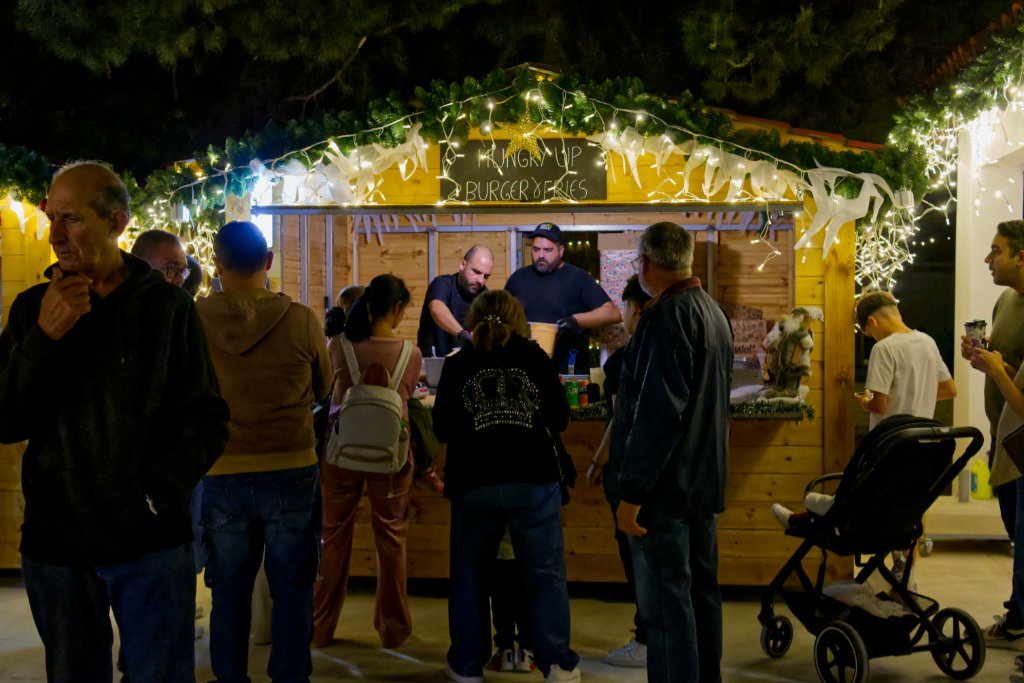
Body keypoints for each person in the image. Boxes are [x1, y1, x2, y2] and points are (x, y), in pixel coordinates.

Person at [0, 161, 229, 682]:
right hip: (57, 545)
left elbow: (207, 417)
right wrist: (43, 339)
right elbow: (6, 419)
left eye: (72, 219)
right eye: (50, 217)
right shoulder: (34, 308)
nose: (56, 235)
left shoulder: (167, 308)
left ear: (116, 221)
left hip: (150, 544)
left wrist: (156, 491)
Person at [194, 220, 330, 682]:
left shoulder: (194, 318)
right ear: (268, 261)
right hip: (291, 464)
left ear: (217, 262)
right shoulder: (301, 319)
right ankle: (291, 677)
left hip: (221, 465)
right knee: (292, 588)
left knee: (228, 591)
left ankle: (231, 677)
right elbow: (325, 386)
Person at [433, 289, 581, 683]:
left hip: (473, 480)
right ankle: (557, 666)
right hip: (533, 477)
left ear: (473, 320)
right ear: (518, 320)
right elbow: (560, 419)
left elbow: (442, 428)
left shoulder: (458, 362)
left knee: (470, 575)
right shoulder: (536, 358)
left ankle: (467, 664)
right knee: (545, 573)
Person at [611, 221, 733, 683]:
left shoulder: (665, 317)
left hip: (664, 491)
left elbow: (659, 414)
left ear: (645, 263)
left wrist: (633, 491)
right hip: (703, 484)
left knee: (666, 607)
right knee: (702, 596)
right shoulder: (712, 312)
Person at [773, 291, 956, 584]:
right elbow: (949, 389)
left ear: (872, 320)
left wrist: (865, 402)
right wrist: (913, 395)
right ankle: (904, 573)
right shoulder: (927, 342)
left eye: (868, 332)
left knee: (858, 501)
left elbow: (879, 405)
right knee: (906, 514)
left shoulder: (885, 349)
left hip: (890, 449)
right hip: (921, 451)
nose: (871, 338)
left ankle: (806, 515)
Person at [314, 274, 423, 648]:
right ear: (395, 309)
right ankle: (393, 631)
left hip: (341, 452)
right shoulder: (411, 353)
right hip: (391, 456)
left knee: (333, 540)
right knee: (391, 542)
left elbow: (326, 389)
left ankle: (320, 628)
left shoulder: (339, 344)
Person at [962, 220, 1024, 645]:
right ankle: (1018, 617)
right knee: (1017, 538)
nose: (988, 259)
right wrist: (982, 358)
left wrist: (999, 370)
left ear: (1022, 255)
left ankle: (1018, 620)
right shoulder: (1006, 301)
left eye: (996, 250)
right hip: (1002, 438)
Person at [587, 274, 652, 668]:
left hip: (629, 471)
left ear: (635, 309)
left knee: (636, 558)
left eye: (625, 308)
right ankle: (651, 631)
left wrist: (597, 461)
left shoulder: (628, 358)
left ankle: (646, 639)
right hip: (660, 474)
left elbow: (620, 418)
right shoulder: (666, 346)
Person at [505, 222, 620, 372]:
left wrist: (575, 320)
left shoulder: (578, 278)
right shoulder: (518, 278)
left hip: (567, 371)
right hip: (525, 369)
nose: (540, 255)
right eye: (536, 249)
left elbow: (612, 313)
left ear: (561, 251)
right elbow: (500, 316)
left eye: (547, 250)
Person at [417, 245, 494, 357]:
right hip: (434, 366)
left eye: (486, 276)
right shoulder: (443, 284)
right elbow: (437, 309)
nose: (480, 281)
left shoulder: (485, 297)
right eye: (476, 272)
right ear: (462, 265)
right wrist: (462, 335)